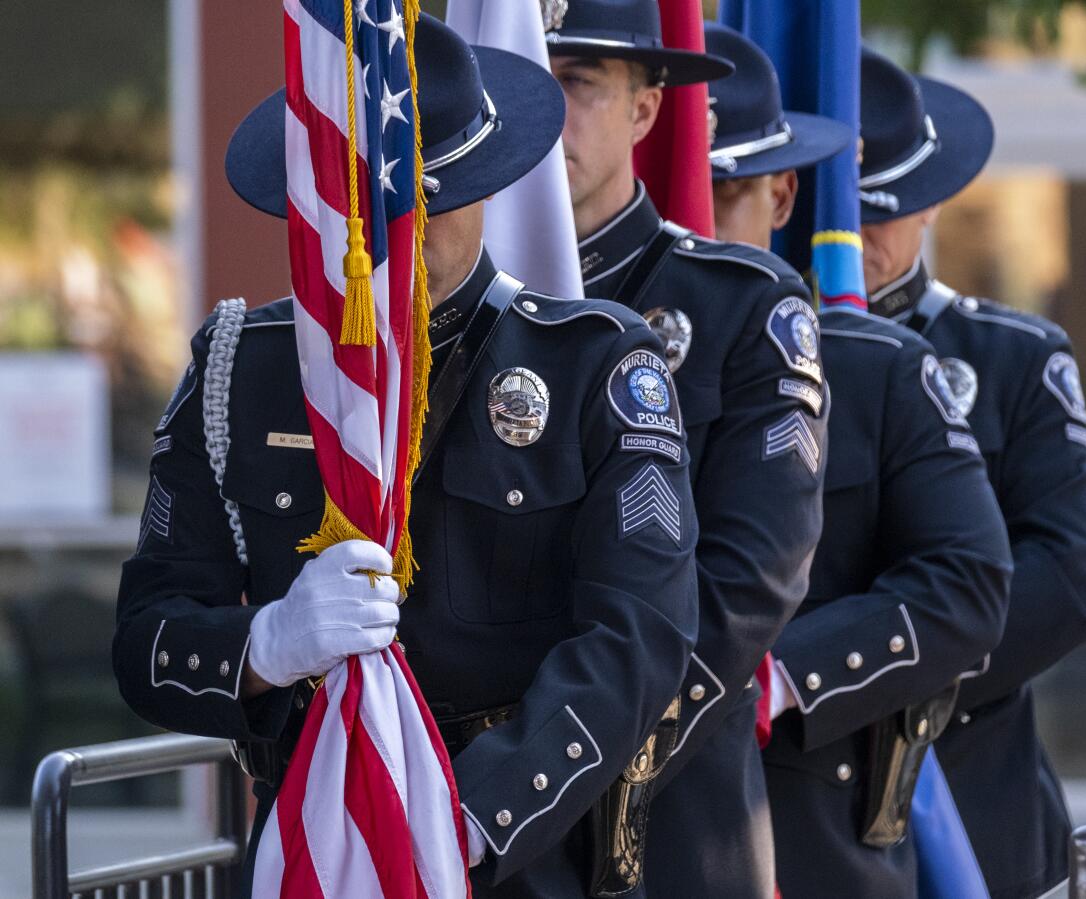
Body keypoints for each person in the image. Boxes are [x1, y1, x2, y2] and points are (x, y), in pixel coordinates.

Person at [112, 16, 701, 898]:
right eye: (369, 201)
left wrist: (451, 821)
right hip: (319, 841)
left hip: (513, 851)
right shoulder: (241, 366)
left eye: (435, 194)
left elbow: (638, 640)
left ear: (490, 185)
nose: (400, 227)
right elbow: (146, 637)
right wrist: (266, 645)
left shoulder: (591, 362)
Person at [705, 23, 1014, 898]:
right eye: (683, 183)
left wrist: (788, 676)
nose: (701, 215)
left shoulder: (874, 368)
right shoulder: (594, 354)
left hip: (816, 823)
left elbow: (969, 581)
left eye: (728, 193)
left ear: (781, 197)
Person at [544, 4, 839, 895]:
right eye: (525, 80)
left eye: (578, 85)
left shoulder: (740, 306)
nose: (546, 112)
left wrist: (546, 765)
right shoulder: (437, 309)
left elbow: (750, 579)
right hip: (473, 823)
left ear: (644, 112)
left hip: (664, 823)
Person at [859, 49, 1086, 899]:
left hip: (971, 783)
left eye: (878, 210)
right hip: (797, 799)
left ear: (927, 200)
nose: (852, 234)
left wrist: (871, 665)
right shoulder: (760, 351)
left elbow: (1067, 582)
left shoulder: (1012, 357)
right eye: (834, 207)